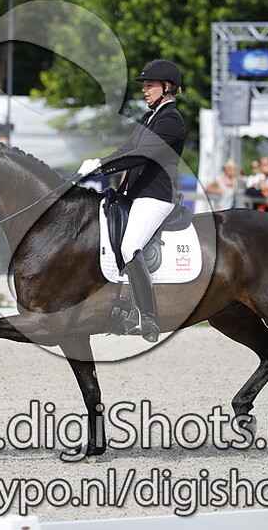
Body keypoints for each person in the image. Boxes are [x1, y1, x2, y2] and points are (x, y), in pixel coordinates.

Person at [76, 59, 186, 342]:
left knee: (129, 247)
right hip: (135, 194)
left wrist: (102, 167)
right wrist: (98, 163)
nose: (144, 90)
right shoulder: (149, 118)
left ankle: (147, 317)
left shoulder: (171, 120)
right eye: (144, 86)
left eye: (149, 85)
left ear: (167, 87)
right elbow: (126, 149)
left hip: (156, 196)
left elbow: (143, 154)